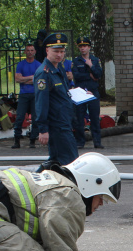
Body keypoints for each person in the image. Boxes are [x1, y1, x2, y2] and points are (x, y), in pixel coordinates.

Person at [34, 33, 79, 166]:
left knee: (58, 162)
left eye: (62, 51)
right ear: (47, 50)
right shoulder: (44, 73)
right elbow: (41, 102)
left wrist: (80, 93)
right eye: (56, 51)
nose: (59, 55)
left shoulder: (58, 67)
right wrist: (42, 129)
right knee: (69, 162)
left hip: (64, 121)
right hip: (56, 125)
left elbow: (63, 92)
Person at [72, 36, 104, 149]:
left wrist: (91, 66)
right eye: (80, 46)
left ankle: (97, 142)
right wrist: (89, 75)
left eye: (85, 46)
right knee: (79, 119)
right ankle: (80, 141)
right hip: (80, 93)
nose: (83, 48)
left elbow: (98, 75)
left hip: (93, 92)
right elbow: (76, 76)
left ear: (89, 47)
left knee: (94, 118)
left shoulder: (95, 60)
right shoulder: (76, 61)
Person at [11, 43, 41, 149]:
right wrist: (31, 78)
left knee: (35, 117)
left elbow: (39, 80)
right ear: (25, 51)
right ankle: (16, 140)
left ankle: (32, 140)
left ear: (35, 52)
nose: (30, 52)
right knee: (19, 117)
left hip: (35, 94)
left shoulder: (38, 65)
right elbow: (18, 79)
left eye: (32, 50)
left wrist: (26, 79)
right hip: (23, 94)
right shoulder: (21, 64)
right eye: (28, 50)